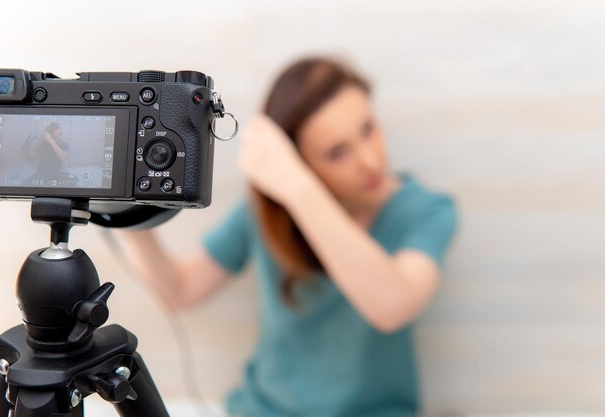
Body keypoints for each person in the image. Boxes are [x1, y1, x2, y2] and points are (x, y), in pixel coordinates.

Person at [122, 57, 458, 417]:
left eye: (367, 128)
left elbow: (392, 306)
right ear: (301, 163)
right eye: (337, 152)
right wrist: (127, 215)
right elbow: (180, 290)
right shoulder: (267, 213)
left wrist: (297, 187)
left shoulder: (424, 210)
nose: (370, 161)